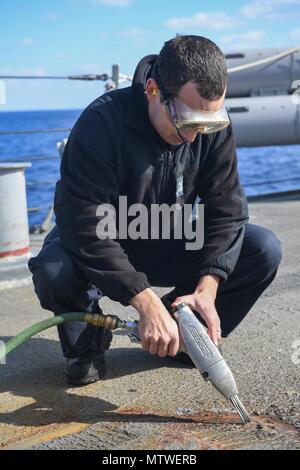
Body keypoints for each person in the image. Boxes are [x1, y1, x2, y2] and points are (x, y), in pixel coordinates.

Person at [28, 35, 282, 386]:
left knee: (261, 249)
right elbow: (83, 223)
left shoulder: (208, 127)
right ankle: (87, 343)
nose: (195, 137)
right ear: (153, 91)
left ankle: (181, 336)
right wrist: (146, 304)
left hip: (168, 232)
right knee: (54, 270)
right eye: (188, 122)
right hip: (103, 236)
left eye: (207, 123)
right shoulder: (101, 122)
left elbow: (227, 208)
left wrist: (208, 288)